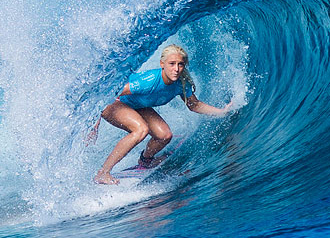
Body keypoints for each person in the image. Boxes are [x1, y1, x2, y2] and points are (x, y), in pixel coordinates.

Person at [86, 44, 229, 185]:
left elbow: (194, 105)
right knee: (141, 130)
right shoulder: (148, 82)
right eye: (172, 64)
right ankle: (103, 173)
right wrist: (94, 125)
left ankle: (145, 160)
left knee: (164, 136)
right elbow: (106, 95)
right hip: (113, 103)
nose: (176, 69)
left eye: (180, 64)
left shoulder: (181, 83)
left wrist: (221, 112)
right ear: (162, 64)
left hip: (137, 105)